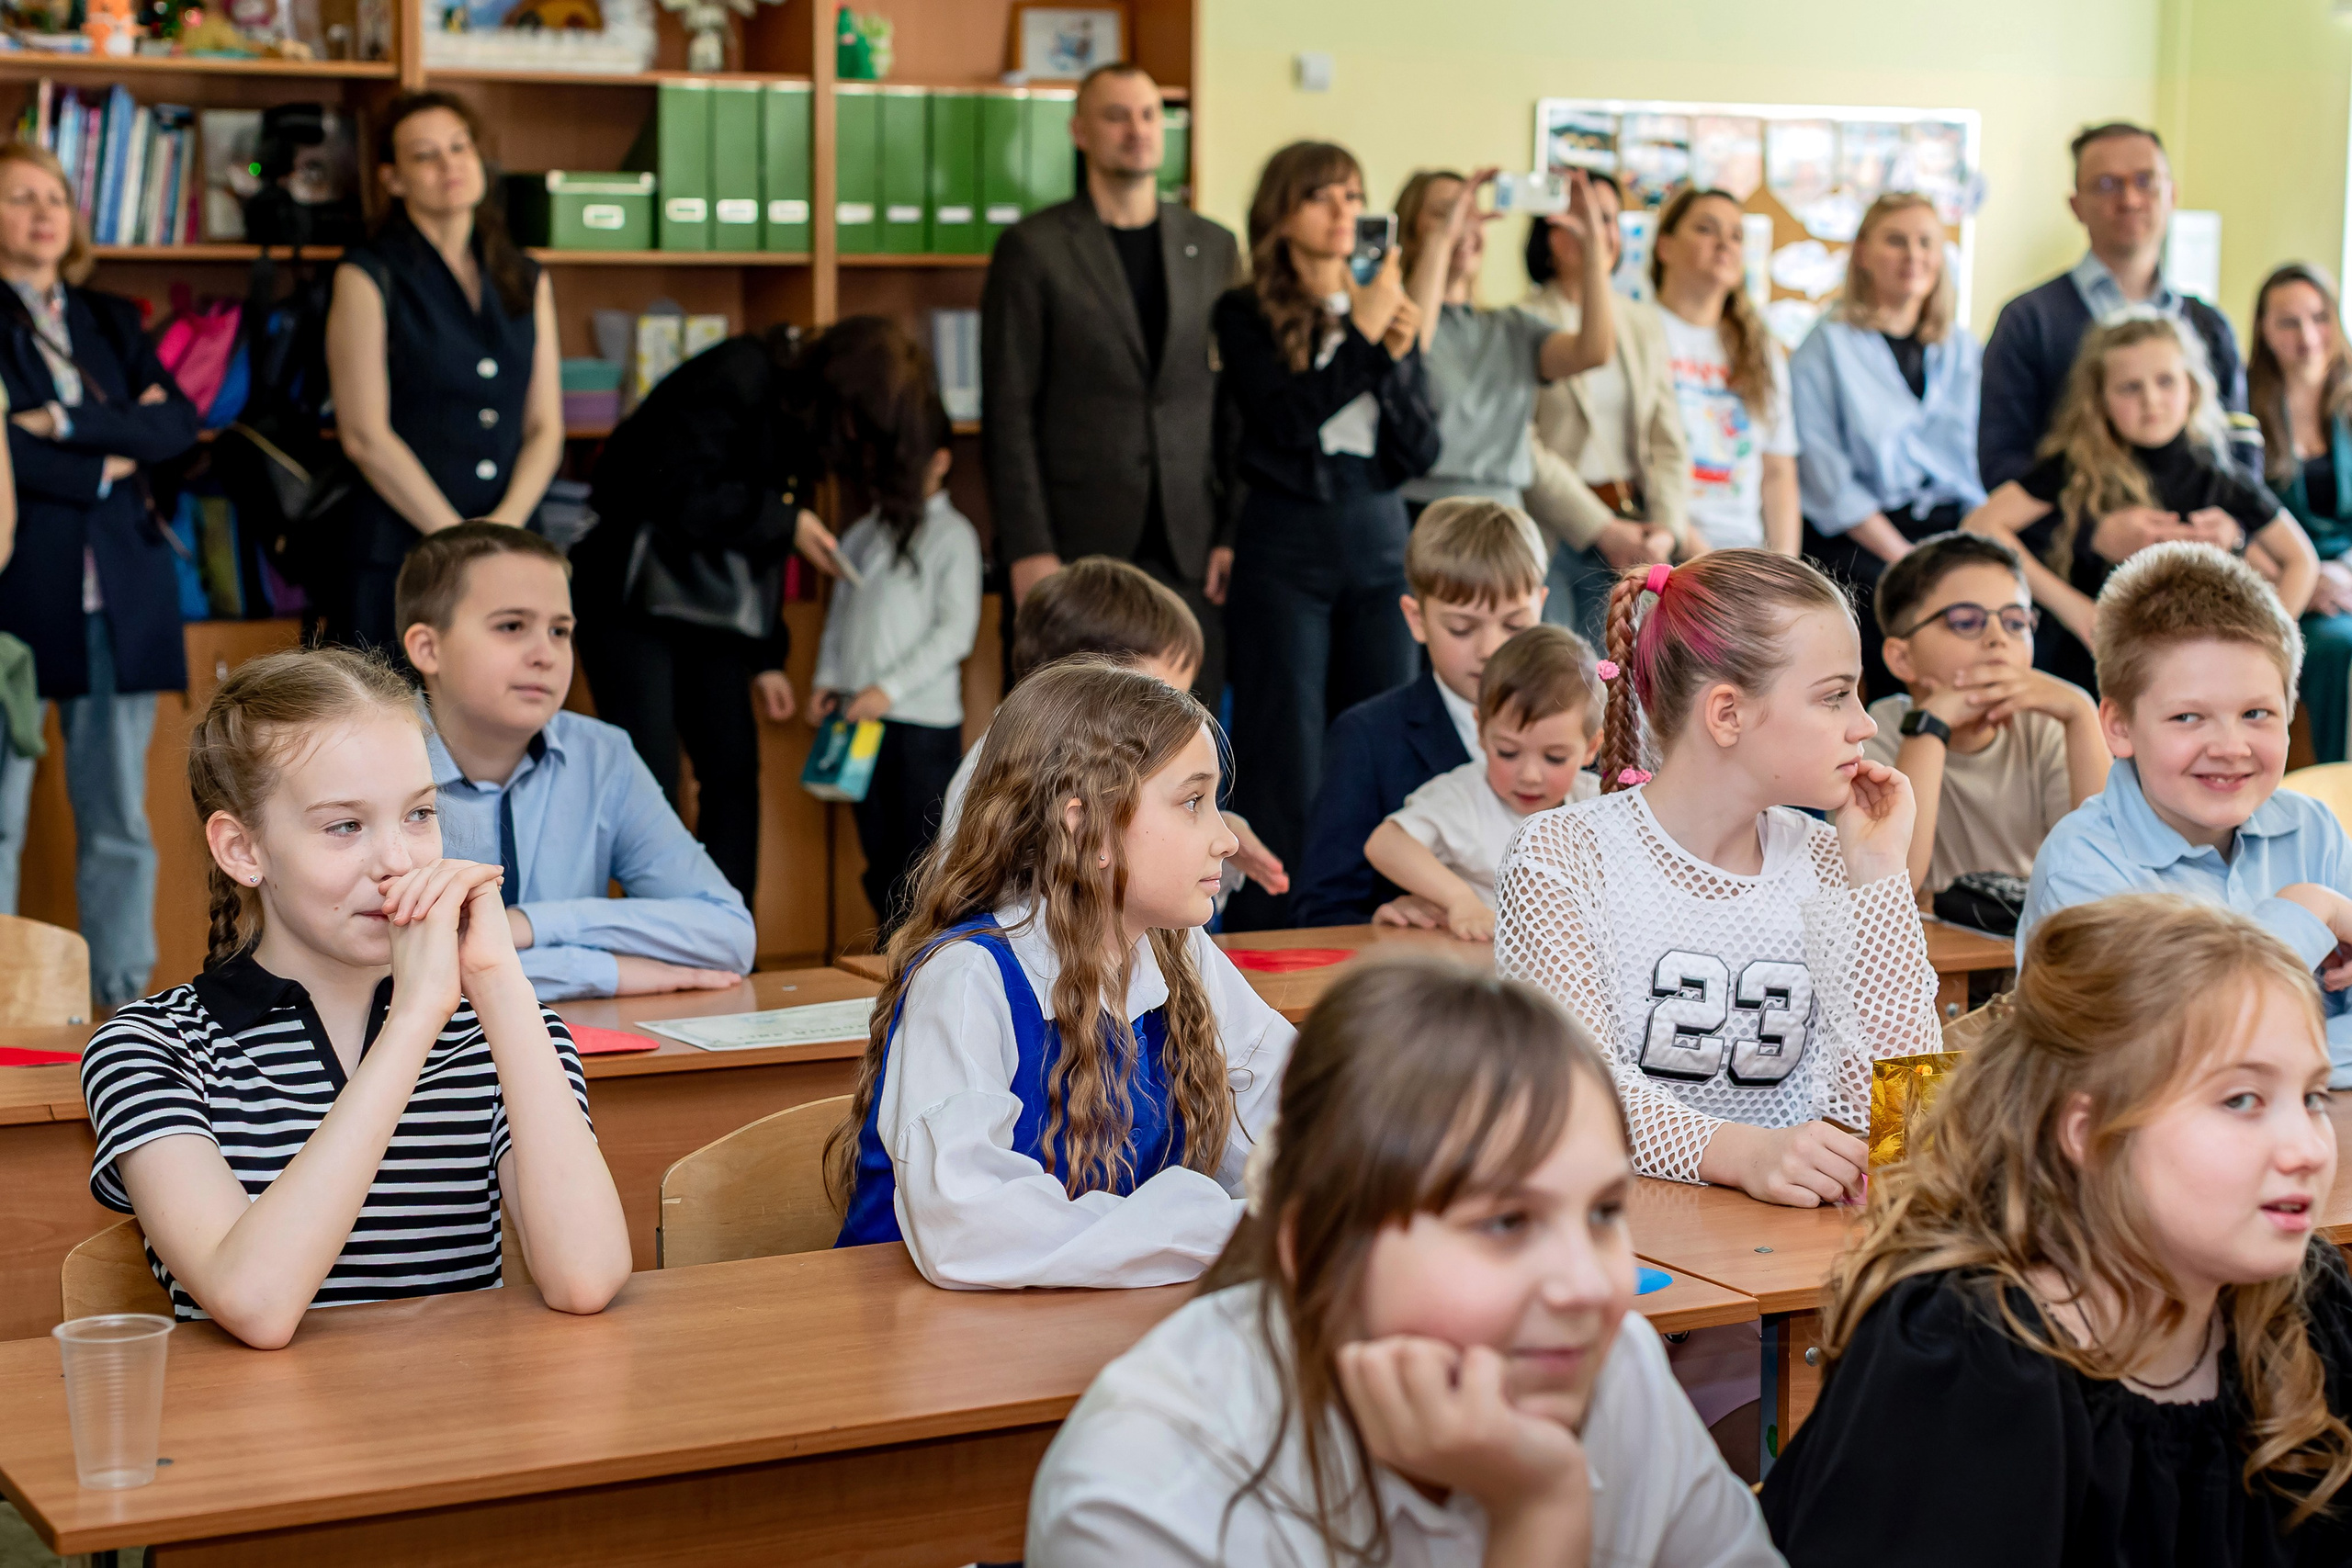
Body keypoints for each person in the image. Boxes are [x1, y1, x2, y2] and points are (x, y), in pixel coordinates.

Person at [1028, 958, 1783, 1568]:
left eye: (1604, 1212)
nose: (1590, 1285)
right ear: (1317, 1246)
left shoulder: (1613, 1366)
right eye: (1505, 1222)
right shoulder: (1144, 1489)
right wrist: (1538, 1517)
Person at [1494, 550, 1938, 1470]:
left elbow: (1905, 1117)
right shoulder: (1563, 856)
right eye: (1834, 696)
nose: (1865, 725)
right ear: (1727, 714)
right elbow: (1573, 1097)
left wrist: (1877, 878)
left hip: (1768, 1310)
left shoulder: (1830, 862)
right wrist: (1744, 1152)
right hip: (1592, 1299)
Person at [1762, 895, 2352, 1567]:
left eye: (2313, 1097)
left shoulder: (2305, 1306)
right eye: (2241, 1099)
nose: (2307, 1149)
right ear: (2089, 1133)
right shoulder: (1964, 1359)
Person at [76, 647, 630, 1348]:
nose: (398, 861)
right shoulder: (149, 1047)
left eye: (419, 813)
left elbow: (586, 1278)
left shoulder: (508, 1029)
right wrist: (414, 1020)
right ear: (242, 849)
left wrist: (496, 981)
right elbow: (255, 1303)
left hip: (465, 1411)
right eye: (345, 825)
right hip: (260, 1419)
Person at [827, 660, 1294, 1288]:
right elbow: (969, 1224)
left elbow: (1292, 1114)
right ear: (1084, 823)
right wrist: (1224, 1227)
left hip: (1085, 1323)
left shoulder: (1179, 951)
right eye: (1192, 802)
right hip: (914, 1338)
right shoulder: (967, 978)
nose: (1226, 839)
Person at [573, 316, 927, 905]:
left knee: (732, 774)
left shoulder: (801, 422)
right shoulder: (740, 372)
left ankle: (728, 931)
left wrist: (766, 658)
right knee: (652, 780)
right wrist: (786, 521)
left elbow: (750, 551)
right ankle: (656, 933)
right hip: (630, 597)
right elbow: (662, 482)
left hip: (707, 610)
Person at [2015, 542, 2352, 1085]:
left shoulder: (2315, 829)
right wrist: (2309, 913)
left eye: (2257, 713)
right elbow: (2175, 1060)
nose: (2231, 747)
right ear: (2120, 727)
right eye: (2189, 717)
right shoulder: (2083, 868)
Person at [1213, 140, 1440, 929]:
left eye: (1353, 194)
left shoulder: (1381, 302)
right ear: (1281, 215)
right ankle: (1277, 931)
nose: (1345, 210)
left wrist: (1392, 353)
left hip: (1378, 543)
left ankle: (1370, 913)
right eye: (1322, 196)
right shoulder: (1243, 311)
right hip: (1286, 549)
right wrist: (1367, 343)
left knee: (1378, 737)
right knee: (1286, 751)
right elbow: (1283, 423)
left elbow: (1419, 450)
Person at [0, 141, 198, 1006]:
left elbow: (176, 427)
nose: (44, 212)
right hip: (16, 594)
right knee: (0, 818)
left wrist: (60, 423)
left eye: (54, 196)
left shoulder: (112, 319)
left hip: (119, 596)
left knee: (119, 817)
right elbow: (0, 454)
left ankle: (123, 1005)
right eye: (19, 196)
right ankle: (6, 1006)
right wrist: (109, 455)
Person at [396, 523, 753, 1002]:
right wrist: (601, 970)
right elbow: (383, 971)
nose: (546, 655)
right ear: (428, 648)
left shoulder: (602, 755)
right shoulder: (371, 761)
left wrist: (527, 924)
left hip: (574, 1044)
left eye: (560, 631)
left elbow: (729, 935)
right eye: (511, 626)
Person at [982, 62, 1242, 700]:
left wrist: (1231, 531)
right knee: (1071, 726)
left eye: (1150, 114)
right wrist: (1028, 549)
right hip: (1076, 543)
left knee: (1186, 730)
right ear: (1080, 131)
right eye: (1116, 116)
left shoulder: (1213, 246)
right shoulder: (1033, 247)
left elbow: (1234, 401)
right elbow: (1008, 410)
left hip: (1188, 545)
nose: (1138, 130)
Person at [1963, 312, 2318, 694]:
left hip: (2187, 675)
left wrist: (2260, 646)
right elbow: (1980, 525)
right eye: (2129, 388)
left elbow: (2302, 561)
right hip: (2088, 666)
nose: (2151, 400)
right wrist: (2076, 609)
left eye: (2165, 381)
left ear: (2192, 388)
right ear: (2100, 400)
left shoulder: (2221, 480)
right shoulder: (2073, 469)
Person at [325, 92, 563, 654]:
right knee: (392, 706)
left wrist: (502, 531)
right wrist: (458, 541)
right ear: (393, 179)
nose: (449, 165)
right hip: (399, 554)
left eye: (460, 147)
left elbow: (545, 427)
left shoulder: (525, 276)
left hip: (511, 549)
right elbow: (364, 436)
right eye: (425, 155)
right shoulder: (368, 275)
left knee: (503, 705)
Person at [933, 557, 1284, 904]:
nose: (1173, 721)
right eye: (1155, 699)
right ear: (1079, 684)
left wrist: (1205, 830)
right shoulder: (1006, 769)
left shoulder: (1100, 763)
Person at [1292, 498, 1548, 928]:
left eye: (1514, 625)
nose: (1490, 649)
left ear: (1541, 607)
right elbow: (1319, 910)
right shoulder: (1368, 737)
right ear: (1416, 619)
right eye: (1462, 627)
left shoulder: (1582, 725)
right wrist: (1381, 920)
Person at [1979, 121, 2248, 493]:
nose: (2130, 200)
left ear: (2172, 194)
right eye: (2107, 185)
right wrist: (2095, 522)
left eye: (2145, 181)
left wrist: (2228, 516)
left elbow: (2241, 449)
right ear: (2076, 206)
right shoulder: (2027, 322)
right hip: (2073, 529)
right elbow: (2001, 463)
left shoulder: (2209, 325)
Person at [1791, 192, 1985, 701]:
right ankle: (1902, 730)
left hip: (1949, 526)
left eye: (1926, 242)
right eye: (1896, 241)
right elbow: (1827, 479)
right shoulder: (1825, 345)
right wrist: (1905, 556)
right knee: (1905, 618)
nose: (1913, 255)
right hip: (1861, 537)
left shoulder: (1963, 349)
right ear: (1862, 253)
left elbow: (1979, 466)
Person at [811, 389, 983, 937]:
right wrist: (828, 680)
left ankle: (921, 953)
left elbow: (954, 633)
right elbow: (840, 616)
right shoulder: (863, 532)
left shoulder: (954, 536)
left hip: (921, 726)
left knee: (920, 857)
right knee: (879, 853)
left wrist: (888, 688)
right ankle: (891, 949)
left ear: (940, 461)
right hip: (860, 720)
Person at [1863, 533, 2107, 895]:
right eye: (1965, 622)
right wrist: (1929, 725)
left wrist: (2081, 711)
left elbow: (2105, 873)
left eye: (2016, 622)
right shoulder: (1873, 735)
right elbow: (1891, 887)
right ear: (1902, 658)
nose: (1998, 638)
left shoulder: (2046, 726)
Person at [1521, 171, 1690, 646]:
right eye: (1585, 218)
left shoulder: (1641, 322)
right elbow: (1522, 442)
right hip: (1556, 531)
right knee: (1563, 672)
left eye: (1610, 220)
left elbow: (1667, 440)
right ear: (1551, 234)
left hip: (1637, 534)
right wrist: (1600, 529)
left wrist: (1666, 531)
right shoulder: (1521, 320)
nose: (1601, 234)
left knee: (1621, 676)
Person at [1391, 164, 1612, 516]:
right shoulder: (1389, 324)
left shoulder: (1512, 327)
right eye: (1446, 213)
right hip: (1422, 509)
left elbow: (1594, 352)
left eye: (1472, 212)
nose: (1463, 225)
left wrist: (1593, 246)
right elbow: (1408, 351)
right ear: (1411, 230)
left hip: (1503, 512)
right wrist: (1442, 240)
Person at [1365, 624, 1601, 942]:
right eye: (1508, 752)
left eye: (1555, 757)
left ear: (1591, 747)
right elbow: (1384, 844)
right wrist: (1460, 900)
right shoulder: (1462, 795)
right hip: (1479, 962)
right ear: (1480, 731)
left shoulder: (1598, 802)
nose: (1530, 775)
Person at [1649, 188, 1799, 556]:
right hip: (1665, 546)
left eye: (1736, 235)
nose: (1724, 244)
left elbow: (1778, 470)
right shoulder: (1639, 330)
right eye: (1705, 229)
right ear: (1665, 247)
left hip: (1744, 552)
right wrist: (1705, 563)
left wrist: (1784, 568)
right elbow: (1636, 463)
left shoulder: (1759, 347)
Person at [2249, 262, 2352, 763]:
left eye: (2319, 317)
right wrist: (2302, 579)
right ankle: (2337, 784)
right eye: (2288, 323)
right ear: (2264, 331)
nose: (2307, 337)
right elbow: (2237, 521)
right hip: (2280, 583)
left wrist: (2344, 574)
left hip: (2347, 578)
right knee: (2336, 646)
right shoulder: (2244, 409)